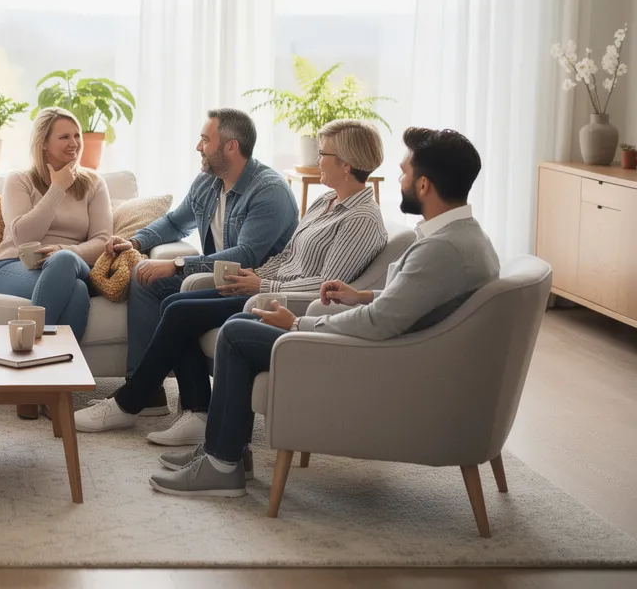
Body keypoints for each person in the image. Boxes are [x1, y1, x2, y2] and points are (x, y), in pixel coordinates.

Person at [148, 127, 500, 497]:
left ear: (425, 185)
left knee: (237, 332)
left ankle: (222, 465)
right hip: (395, 351)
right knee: (234, 322)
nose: (399, 180)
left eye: (404, 172)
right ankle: (227, 453)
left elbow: (378, 323)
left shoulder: (440, 249)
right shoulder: (463, 239)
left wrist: (298, 322)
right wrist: (363, 294)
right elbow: (410, 300)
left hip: (377, 359)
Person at [75, 119, 388, 442]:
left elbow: (324, 288)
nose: (316, 159)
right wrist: (258, 276)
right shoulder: (325, 202)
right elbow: (287, 257)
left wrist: (262, 286)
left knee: (181, 312)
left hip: (281, 302)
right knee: (174, 302)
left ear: (346, 165)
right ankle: (195, 412)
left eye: (323, 153)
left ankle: (129, 402)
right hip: (263, 286)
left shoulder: (360, 219)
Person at [105, 108, 298, 414]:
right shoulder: (207, 182)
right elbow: (174, 222)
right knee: (144, 274)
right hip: (218, 279)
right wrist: (136, 241)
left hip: (253, 285)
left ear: (231, 146)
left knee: (175, 302)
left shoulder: (269, 191)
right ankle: (150, 391)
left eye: (206, 140)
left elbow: (246, 255)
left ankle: (163, 401)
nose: (199, 147)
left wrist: (178, 265)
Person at [0, 107, 113, 419]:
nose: (74, 143)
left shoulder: (93, 184)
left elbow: (102, 240)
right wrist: (57, 187)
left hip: (73, 264)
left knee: (62, 264)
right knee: (77, 292)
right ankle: (57, 392)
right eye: (64, 137)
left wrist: (66, 252)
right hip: (14, 268)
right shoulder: (19, 180)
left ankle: (29, 384)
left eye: (77, 136)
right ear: (44, 143)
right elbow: (22, 235)